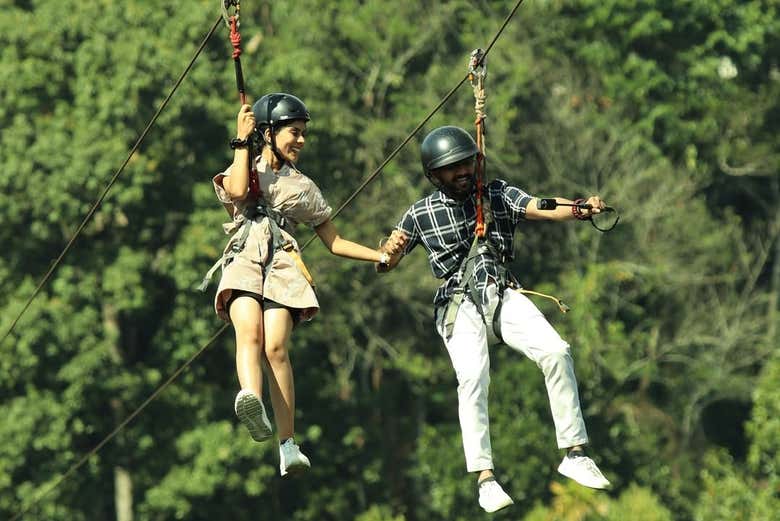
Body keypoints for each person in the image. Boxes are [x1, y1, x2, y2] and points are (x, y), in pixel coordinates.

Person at [377, 126, 611, 513]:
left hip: (502, 294)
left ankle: (574, 452)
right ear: (435, 176)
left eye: (467, 163)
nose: (463, 172)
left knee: (556, 350)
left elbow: (540, 205)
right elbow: (387, 261)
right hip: (458, 306)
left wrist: (579, 208)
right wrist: (389, 252)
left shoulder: (496, 194)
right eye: (452, 169)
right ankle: (485, 477)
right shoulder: (420, 213)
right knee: (473, 378)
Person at [201, 93, 404, 477]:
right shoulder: (243, 165)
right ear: (268, 132)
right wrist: (243, 141)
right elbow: (240, 193)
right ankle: (251, 399)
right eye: (294, 132)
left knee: (276, 346)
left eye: (303, 133)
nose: (301, 140)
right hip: (245, 257)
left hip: (281, 264)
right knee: (250, 331)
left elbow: (334, 241)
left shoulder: (303, 188)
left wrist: (378, 256)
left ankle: (288, 443)